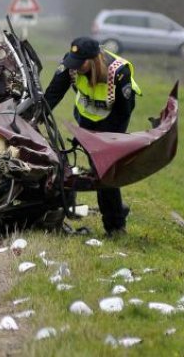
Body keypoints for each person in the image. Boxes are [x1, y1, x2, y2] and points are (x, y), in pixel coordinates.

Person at [44, 36, 142, 236]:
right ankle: (117, 208)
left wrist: (104, 144)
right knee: (99, 172)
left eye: (81, 64)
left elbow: (123, 113)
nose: (76, 67)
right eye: (74, 62)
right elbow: (53, 93)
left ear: (94, 60)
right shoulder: (71, 63)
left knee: (104, 171)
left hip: (112, 122)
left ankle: (115, 226)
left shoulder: (119, 73)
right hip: (86, 117)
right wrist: (36, 116)